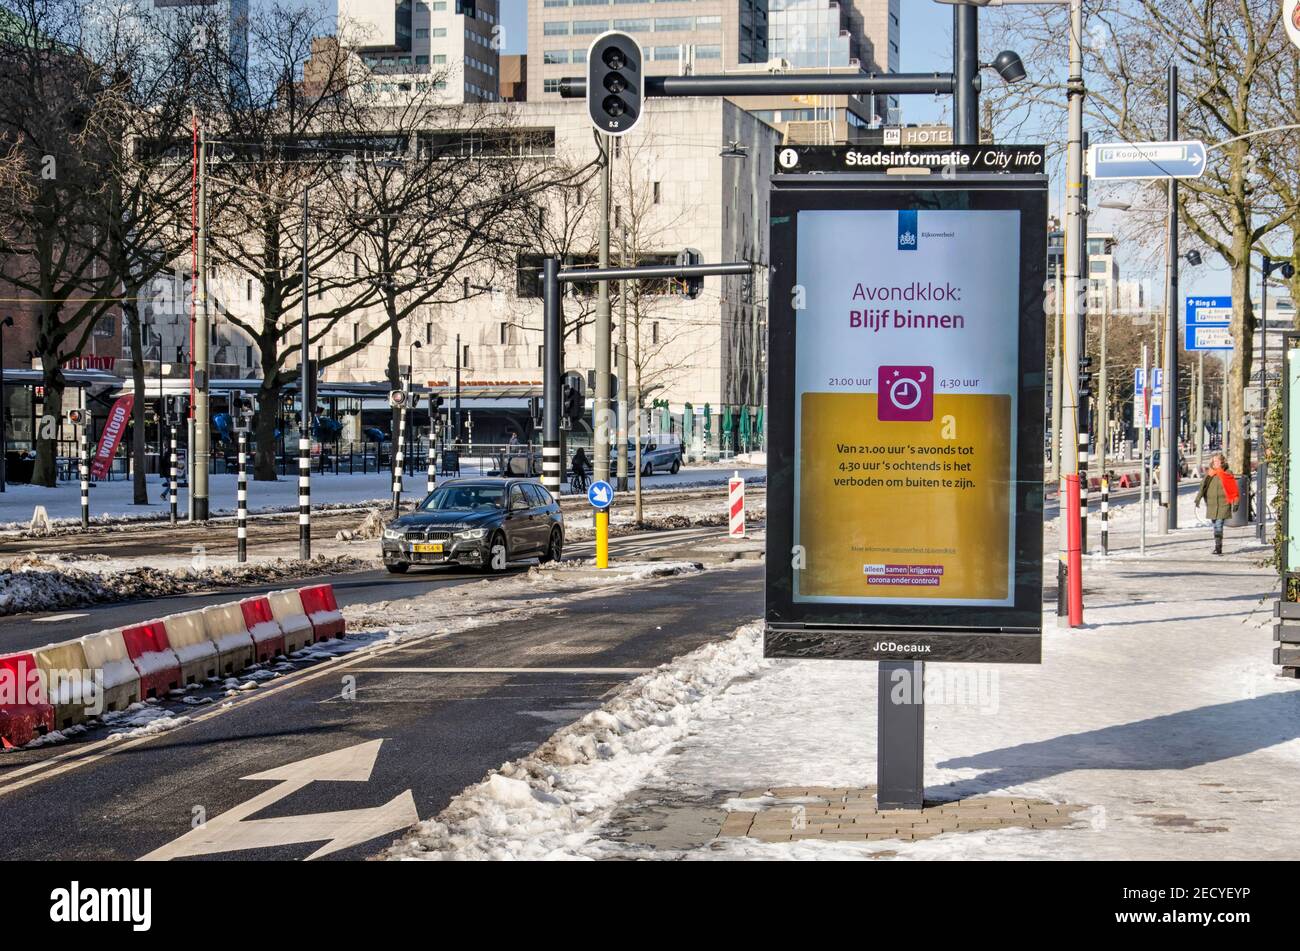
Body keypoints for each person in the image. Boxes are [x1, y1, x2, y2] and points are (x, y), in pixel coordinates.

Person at [1194, 453, 1239, 556]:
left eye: (1217, 461)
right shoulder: (1210, 474)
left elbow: (1233, 488)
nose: (1216, 463)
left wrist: (1236, 502)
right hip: (1211, 504)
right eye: (1214, 461)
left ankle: (1218, 547)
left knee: (1218, 525)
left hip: (1224, 503)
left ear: (1222, 462)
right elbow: (1203, 487)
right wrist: (1198, 499)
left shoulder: (1227, 473)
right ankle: (1217, 544)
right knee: (1215, 525)